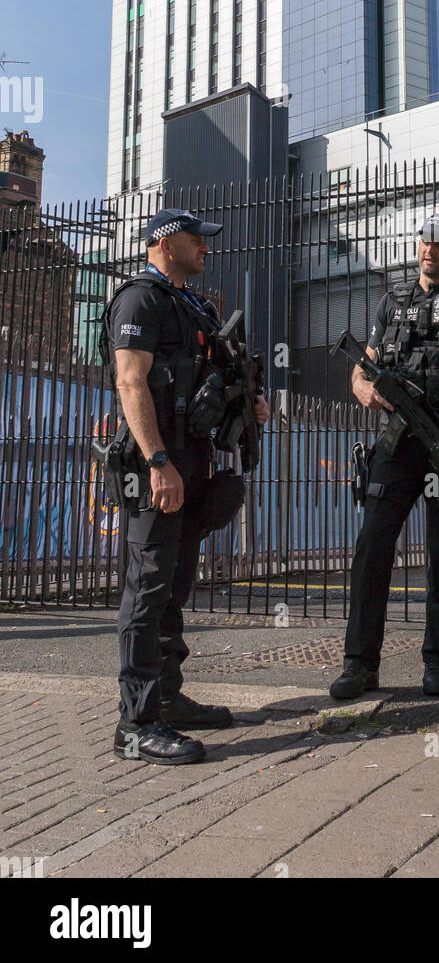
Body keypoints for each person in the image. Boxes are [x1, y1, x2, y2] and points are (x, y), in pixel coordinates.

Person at [102, 209, 270, 765]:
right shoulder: (139, 300)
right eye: (197, 239)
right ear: (165, 242)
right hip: (160, 470)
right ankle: (136, 723)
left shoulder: (194, 305)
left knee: (175, 585)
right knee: (147, 589)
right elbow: (131, 381)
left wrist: (248, 403)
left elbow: (210, 384)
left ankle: (168, 700)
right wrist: (156, 461)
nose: (206, 247)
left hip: (194, 467)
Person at [330, 213, 439, 700]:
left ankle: (438, 662)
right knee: (372, 547)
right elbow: (361, 368)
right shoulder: (394, 301)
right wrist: (363, 389)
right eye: (424, 241)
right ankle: (360, 664)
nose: (430, 249)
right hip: (396, 444)